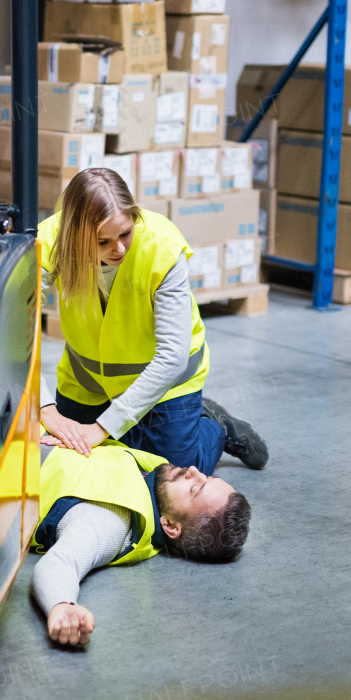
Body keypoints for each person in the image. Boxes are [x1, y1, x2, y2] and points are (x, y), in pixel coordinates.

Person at [37, 168, 267, 473]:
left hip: (168, 381)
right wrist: (45, 409)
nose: (117, 249)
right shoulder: (50, 241)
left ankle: (216, 426)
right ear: (75, 236)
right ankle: (137, 430)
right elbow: (13, 330)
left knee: (170, 474)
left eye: (125, 234)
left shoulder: (163, 247)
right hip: (88, 381)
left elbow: (172, 358)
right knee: (66, 459)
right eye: (102, 241)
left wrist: (103, 428)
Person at [32, 440, 252, 646]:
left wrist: (61, 605)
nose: (193, 471)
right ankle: (216, 428)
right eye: (206, 477)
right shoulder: (157, 479)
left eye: (194, 489)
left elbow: (61, 563)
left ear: (171, 526)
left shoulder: (110, 521)